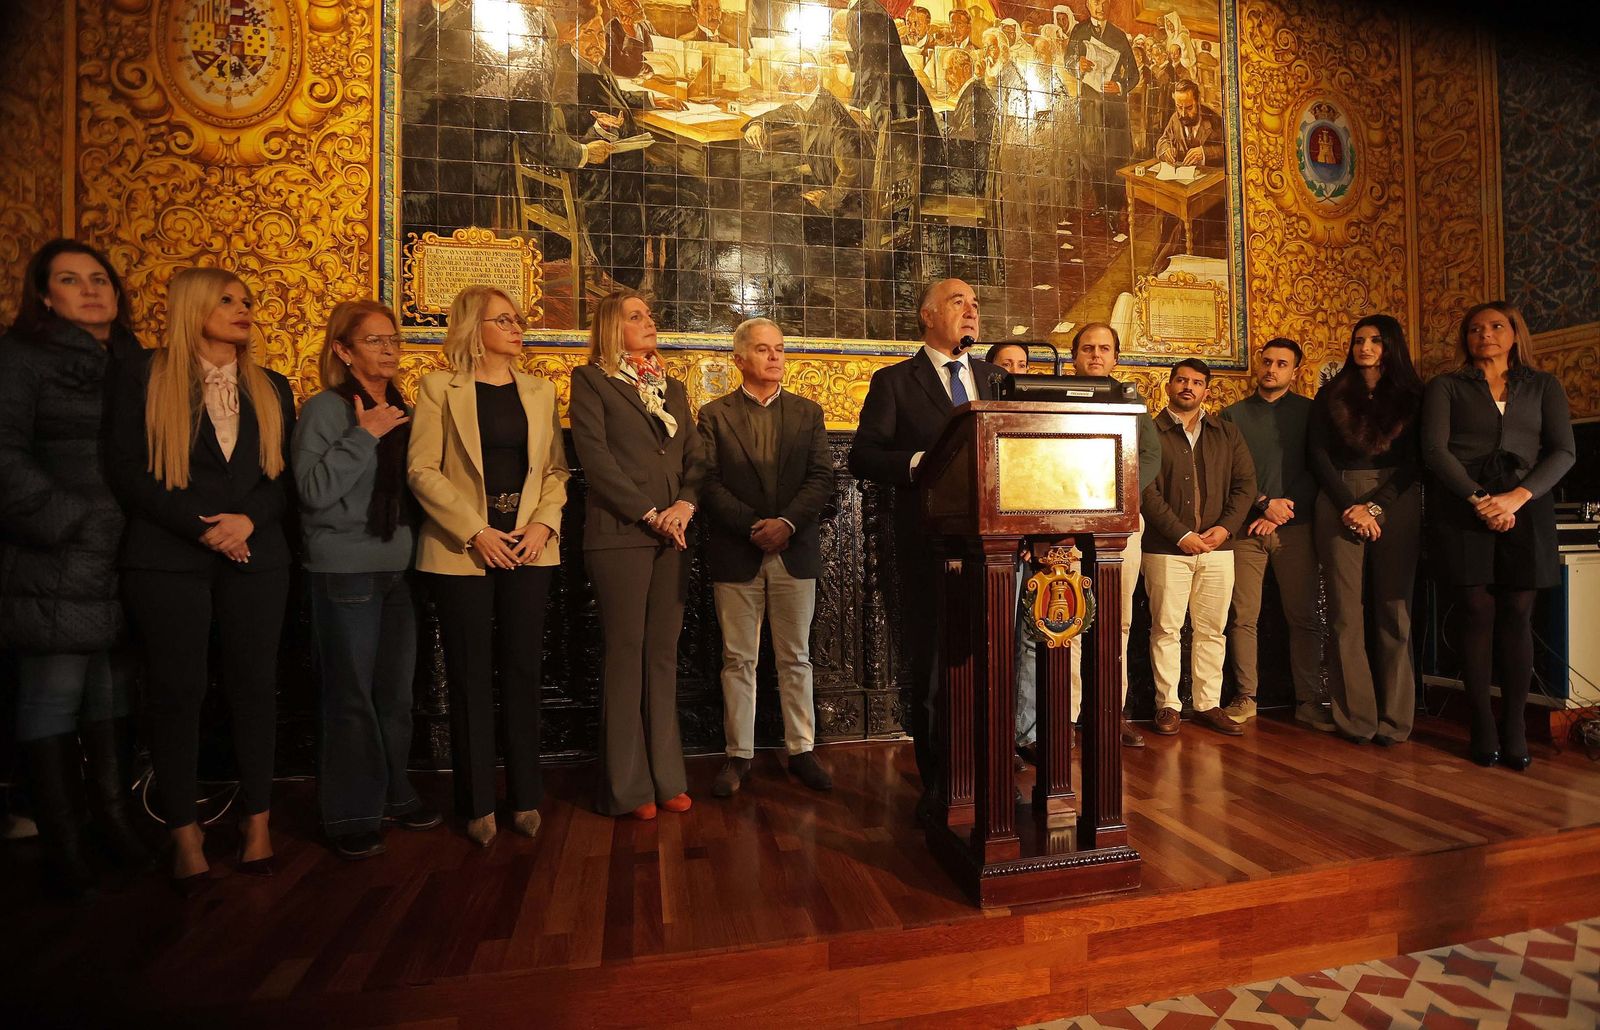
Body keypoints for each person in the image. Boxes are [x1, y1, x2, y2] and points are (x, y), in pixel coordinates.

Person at [107, 268, 296, 893]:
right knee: (177, 693)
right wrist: (203, 528)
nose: (243, 309)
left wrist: (247, 521)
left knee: (254, 689)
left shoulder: (271, 386)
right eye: (227, 300)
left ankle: (258, 823)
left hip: (256, 556)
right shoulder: (144, 373)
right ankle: (183, 833)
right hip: (167, 558)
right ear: (192, 307)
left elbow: (285, 479)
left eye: (247, 300)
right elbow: (128, 469)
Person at [0, 240, 149, 899]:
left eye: (100, 279)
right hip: (55, 554)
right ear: (45, 295)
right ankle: (65, 845)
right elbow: (3, 455)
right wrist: (71, 519)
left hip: (126, 550)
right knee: (53, 694)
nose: (90, 290)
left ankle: (114, 823)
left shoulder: (133, 361)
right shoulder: (20, 357)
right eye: (70, 280)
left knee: (112, 693)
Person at [407, 287, 569, 846]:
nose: (518, 327)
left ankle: (525, 797)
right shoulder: (437, 388)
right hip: (463, 547)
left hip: (529, 544)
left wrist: (543, 524)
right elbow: (423, 470)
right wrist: (475, 531)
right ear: (475, 328)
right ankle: (477, 804)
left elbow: (555, 471)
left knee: (523, 670)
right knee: (470, 675)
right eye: (504, 319)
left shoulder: (541, 390)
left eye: (518, 318)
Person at [848, 278, 1003, 823]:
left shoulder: (994, 378)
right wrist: (918, 464)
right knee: (936, 666)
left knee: (993, 661)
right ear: (928, 315)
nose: (971, 311)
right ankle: (941, 782)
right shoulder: (895, 381)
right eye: (960, 302)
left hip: (997, 551)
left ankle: (992, 771)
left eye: (975, 303)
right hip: (928, 546)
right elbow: (864, 456)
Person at [295, 300, 441, 861]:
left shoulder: (403, 404)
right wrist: (365, 436)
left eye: (393, 340)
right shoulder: (327, 409)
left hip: (397, 567)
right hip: (344, 568)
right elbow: (311, 491)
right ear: (343, 350)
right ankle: (352, 812)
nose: (389, 350)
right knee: (350, 696)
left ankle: (395, 792)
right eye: (375, 341)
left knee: (394, 696)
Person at [570, 290, 706, 819]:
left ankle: (667, 776)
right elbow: (595, 459)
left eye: (650, 314)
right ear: (610, 327)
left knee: (663, 656)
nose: (649, 321)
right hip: (621, 533)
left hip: (674, 533)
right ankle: (626, 788)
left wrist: (684, 505)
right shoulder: (591, 381)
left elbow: (696, 454)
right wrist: (650, 512)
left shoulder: (671, 387)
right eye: (636, 316)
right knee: (625, 656)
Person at [1421, 302, 1575, 768]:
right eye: (1474, 329)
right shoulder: (1445, 386)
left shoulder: (1543, 385)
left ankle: (1514, 728)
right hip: (1464, 506)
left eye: (1494, 326)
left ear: (1514, 333)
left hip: (1526, 507)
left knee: (1518, 612)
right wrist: (1480, 499)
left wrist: (1516, 498)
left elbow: (1563, 451)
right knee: (1474, 610)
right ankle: (1482, 727)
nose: (1484, 334)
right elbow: (1434, 449)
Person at [697, 318, 836, 797]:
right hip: (738, 551)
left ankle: (802, 749)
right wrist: (754, 526)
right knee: (738, 659)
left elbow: (821, 477)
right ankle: (739, 755)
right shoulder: (714, 415)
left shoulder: (807, 412)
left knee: (796, 658)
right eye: (763, 349)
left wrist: (787, 525)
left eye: (779, 348)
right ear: (739, 360)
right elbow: (707, 482)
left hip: (794, 550)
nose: (775, 357)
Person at [1308, 315, 1424, 746]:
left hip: (1396, 497)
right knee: (1344, 612)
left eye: (1375, 340)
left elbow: (1416, 461)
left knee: (1395, 611)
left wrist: (1376, 505)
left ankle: (1395, 721)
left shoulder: (1414, 394)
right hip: (1338, 497)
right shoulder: (1330, 393)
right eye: (1359, 340)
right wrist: (1350, 506)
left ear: (1391, 345)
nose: (1365, 347)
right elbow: (1316, 455)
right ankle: (1356, 719)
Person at [1142, 358, 1255, 737]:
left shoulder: (1227, 432)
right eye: (1181, 380)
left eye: (1196, 382)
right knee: (1167, 629)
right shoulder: (1150, 432)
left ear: (1207, 390)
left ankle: (1208, 703)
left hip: (1218, 548)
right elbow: (1145, 490)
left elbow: (1245, 486)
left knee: (1212, 630)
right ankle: (1168, 705)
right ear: (1168, 386)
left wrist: (1224, 529)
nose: (1188, 387)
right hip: (1165, 547)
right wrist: (1179, 534)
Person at [1220, 338, 1328, 730]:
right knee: (1242, 615)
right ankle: (1246, 696)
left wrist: (1281, 510)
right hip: (1247, 527)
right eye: (1266, 361)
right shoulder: (1232, 415)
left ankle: (1310, 700)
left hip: (1296, 528)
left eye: (1282, 364)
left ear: (1294, 371)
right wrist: (1264, 504)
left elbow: (1318, 468)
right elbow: (1229, 472)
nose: (1272, 369)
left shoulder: (1312, 413)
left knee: (1303, 616)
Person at [1068, 0, 1140, 227]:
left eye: (1104, 1)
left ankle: (1115, 208)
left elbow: (1134, 74)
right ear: (1088, 4)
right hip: (1090, 107)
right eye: (1095, 1)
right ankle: (1101, 203)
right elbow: (1067, 61)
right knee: (1092, 156)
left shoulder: (1118, 35)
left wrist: (1119, 86)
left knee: (1114, 159)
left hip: (1113, 110)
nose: (1100, 6)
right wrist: (1077, 64)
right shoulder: (1079, 31)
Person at [1155, 79, 1224, 168]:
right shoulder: (1175, 118)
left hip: (1208, 178)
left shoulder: (1214, 120)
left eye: (1189, 108)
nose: (1183, 114)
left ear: (1198, 101)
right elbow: (1164, 139)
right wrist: (1166, 149)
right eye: (1179, 107)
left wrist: (1204, 153)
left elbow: (1230, 150)